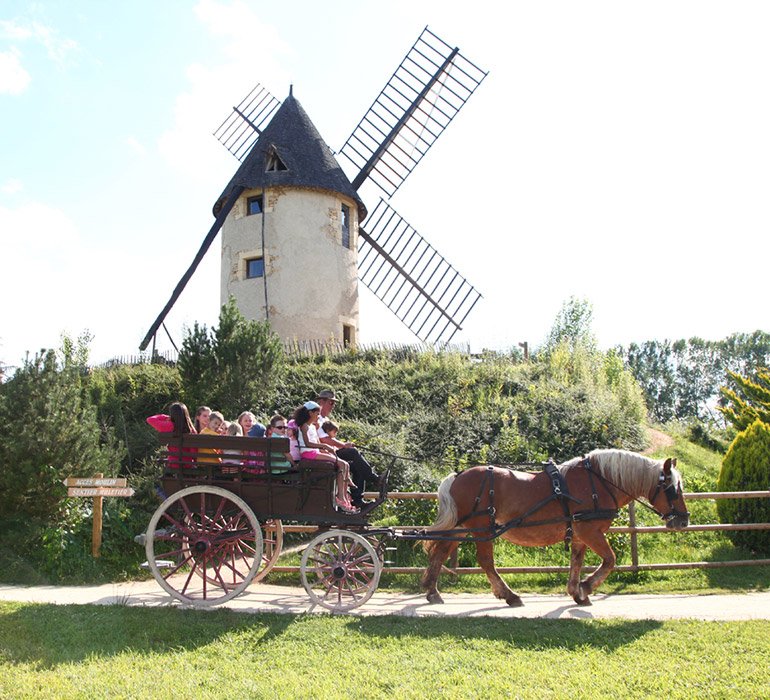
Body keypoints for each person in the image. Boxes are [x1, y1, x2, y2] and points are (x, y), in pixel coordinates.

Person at [316, 389, 380, 508]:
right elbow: (324, 439)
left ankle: (357, 500)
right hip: (323, 452)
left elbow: (330, 440)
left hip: (331, 451)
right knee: (352, 453)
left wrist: (343, 444)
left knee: (356, 464)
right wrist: (344, 445)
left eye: (334, 403)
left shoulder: (325, 420)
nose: (333, 406)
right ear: (322, 402)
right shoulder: (317, 419)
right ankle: (374, 479)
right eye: (331, 403)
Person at [294, 401, 358, 514]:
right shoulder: (304, 426)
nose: (318, 416)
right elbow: (308, 444)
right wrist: (325, 446)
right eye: (317, 413)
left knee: (345, 464)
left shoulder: (313, 427)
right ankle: (341, 496)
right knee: (342, 464)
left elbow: (317, 442)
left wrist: (329, 450)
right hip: (308, 454)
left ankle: (345, 492)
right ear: (310, 413)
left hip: (315, 452)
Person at [146, 402, 197, 468]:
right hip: (188, 464)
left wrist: (165, 416)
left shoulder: (168, 426)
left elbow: (150, 419)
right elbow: (194, 451)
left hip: (173, 463)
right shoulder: (191, 429)